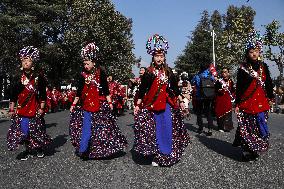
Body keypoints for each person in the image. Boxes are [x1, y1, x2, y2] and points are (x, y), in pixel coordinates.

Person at [133, 34, 190, 167]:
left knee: (166, 129)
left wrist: (181, 101)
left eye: (161, 56)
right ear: (153, 57)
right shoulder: (149, 72)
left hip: (166, 105)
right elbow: (142, 90)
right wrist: (137, 105)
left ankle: (166, 154)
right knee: (154, 131)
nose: (159, 58)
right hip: (151, 106)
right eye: (157, 56)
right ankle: (156, 154)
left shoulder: (169, 72)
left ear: (164, 57)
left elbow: (175, 90)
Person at [69, 42, 127, 159]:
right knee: (86, 127)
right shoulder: (82, 75)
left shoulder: (101, 74)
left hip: (100, 105)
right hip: (86, 106)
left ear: (94, 63)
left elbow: (106, 91)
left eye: (87, 63)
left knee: (101, 129)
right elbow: (79, 92)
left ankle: (101, 150)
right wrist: (73, 104)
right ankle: (84, 149)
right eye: (84, 63)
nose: (85, 66)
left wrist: (110, 102)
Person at [233, 30, 274, 161]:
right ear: (247, 53)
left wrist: (271, 97)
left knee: (259, 126)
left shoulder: (264, 66)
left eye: (256, 51)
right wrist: (237, 103)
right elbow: (239, 87)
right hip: (246, 102)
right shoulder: (242, 68)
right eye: (251, 51)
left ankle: (256, 149)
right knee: (247, 127)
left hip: (261, 101)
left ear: (259, 52)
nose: (254, 53)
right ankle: (246, 150)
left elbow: (268, 82)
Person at [7, 46, 52, 160]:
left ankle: (38, 148)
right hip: (22, 110)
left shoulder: (38, 78)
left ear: (33, 63)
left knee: (37, 131)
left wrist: (42, 108)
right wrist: (12, 109)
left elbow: (42, 94)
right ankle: (28, 149)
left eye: (28, 60)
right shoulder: (17, 78)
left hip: (35, 109)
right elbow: (13, 96)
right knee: (25, 131)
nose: (25, 62)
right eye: (23, 60)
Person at [191, 63, 215, 136]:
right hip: (208, 96)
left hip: (199, 97)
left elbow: (192, 82)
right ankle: (210, 129)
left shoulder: (197, 76)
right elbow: (214, 81)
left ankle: (200, 128)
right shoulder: (210, 75)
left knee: (199, 113)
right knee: (208, 113)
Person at [214, 68, 235, 132]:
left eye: (225, 72)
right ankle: (220, 127)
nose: (224, 73)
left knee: (228, 113)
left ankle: (227, 127)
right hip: (220, 99)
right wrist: (220, 90)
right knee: (220, 112)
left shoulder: (231, 81)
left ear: (228, 73)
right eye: (222, 72)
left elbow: (233, 91)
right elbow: (216, 89)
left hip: (228, 100)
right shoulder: (219, 81)